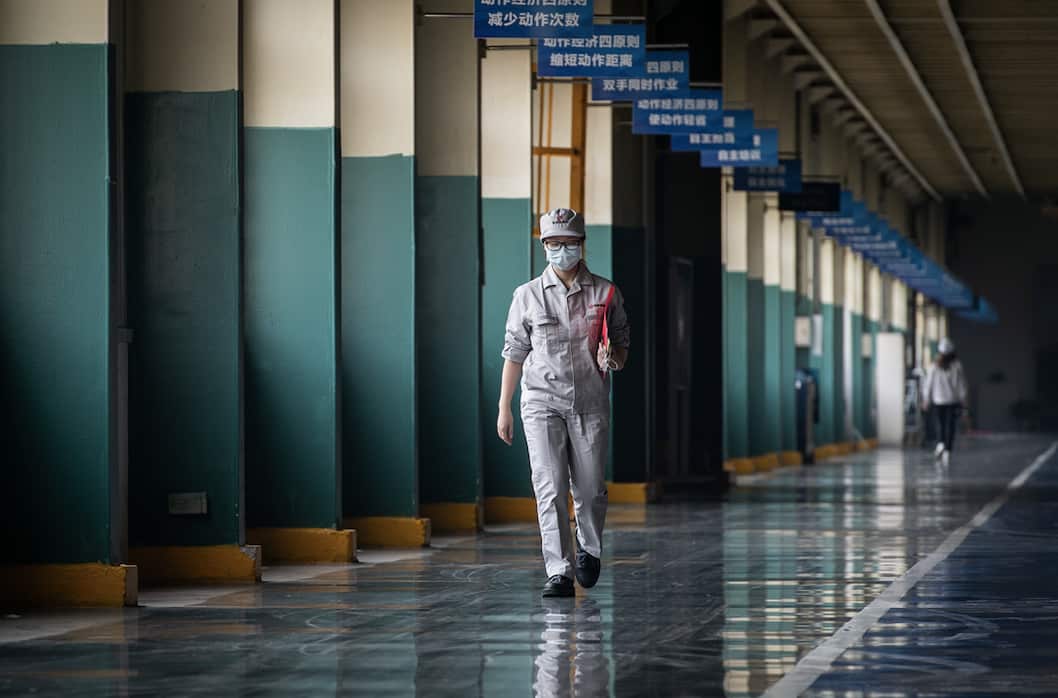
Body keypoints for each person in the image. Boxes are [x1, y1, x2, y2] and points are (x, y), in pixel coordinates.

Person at [496, 208, 630, 598]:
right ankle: (558, 570)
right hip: (541, 403)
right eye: (553, 244)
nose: (561, 251)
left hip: (589, 403)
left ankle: (589, 547)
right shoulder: (526, 297)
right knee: (549, 487)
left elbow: (622, 344)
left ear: (581, 244)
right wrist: (504, 406)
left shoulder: (606, 293)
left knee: (588, 489)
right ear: (544, 247)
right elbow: (514, 352)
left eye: (568, 243)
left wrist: (613, 358)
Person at [921, 337, 968, 467]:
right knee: (950, 426)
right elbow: (961, 385)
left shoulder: (934, 366)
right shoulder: (957, 365)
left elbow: (928, 384)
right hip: (952, 400)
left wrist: (926, 399)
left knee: (940, 424)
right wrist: (963, 399)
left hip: (938, 400)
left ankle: (941, 443)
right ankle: (947, 449)